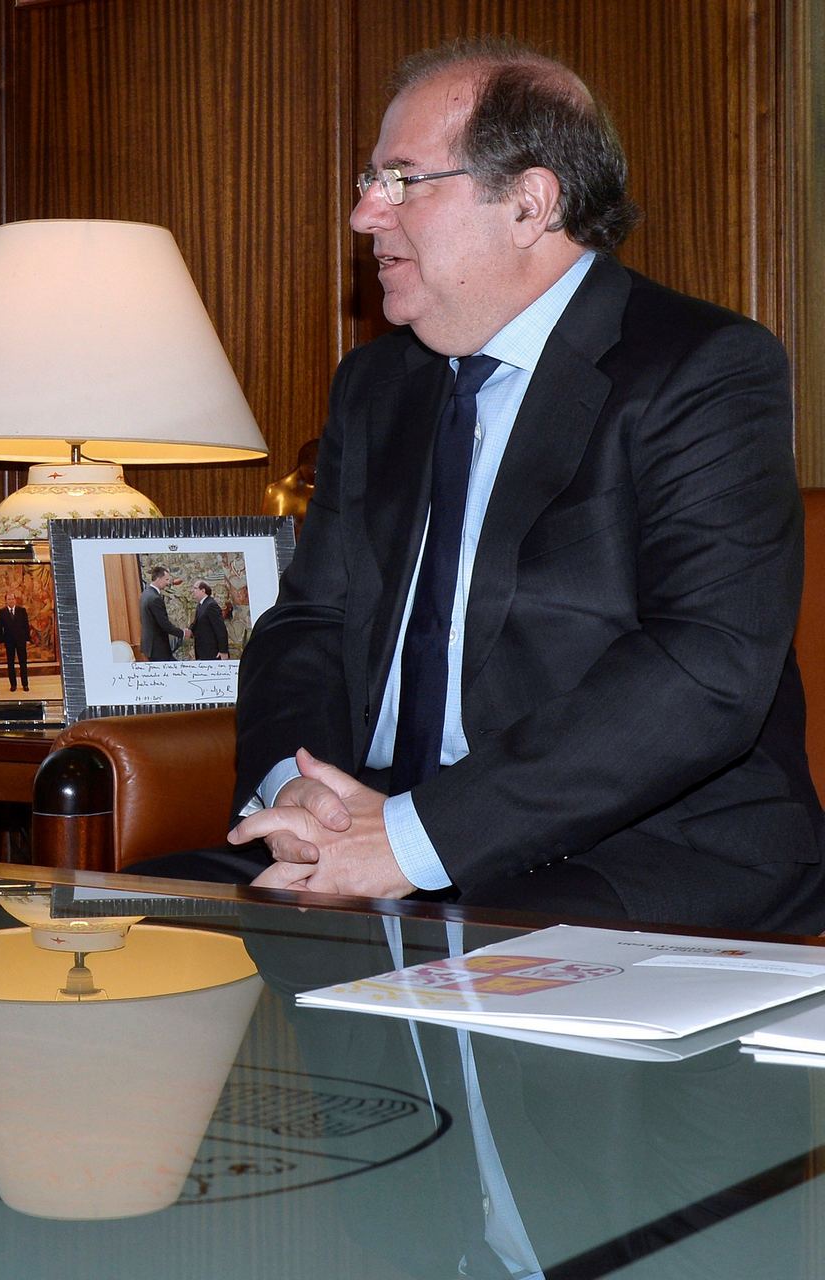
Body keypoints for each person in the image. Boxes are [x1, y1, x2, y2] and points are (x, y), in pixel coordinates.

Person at [136, 39, 825, 932]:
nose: (364, 214)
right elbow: (310, 623)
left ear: (530, 204)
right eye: (369, 180)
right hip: (373, 830)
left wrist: (412, 841)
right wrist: (301, 791)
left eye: (402, 180)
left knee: (452, 966)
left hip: (638, 853)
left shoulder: (702, 369)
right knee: (109, 928)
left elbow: (704, 668)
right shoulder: (377, 385)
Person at [263, 437, 320, 530]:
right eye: (313, 469)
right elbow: (274, 533)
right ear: (302, 465)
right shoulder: (279, 492)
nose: (318, 474)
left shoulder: (336, 490)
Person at [138, 567, 185, 662]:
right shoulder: (155, 598)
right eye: (166, 579)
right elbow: (164, 624)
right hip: (158, 648)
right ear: (158, 579)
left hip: (150, 646)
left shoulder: (145, 593)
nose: (168, 583)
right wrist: (183, 633)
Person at [0, 591, 33, 691]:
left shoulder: (22, 610)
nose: (11, 601)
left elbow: (26, 625)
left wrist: (27, 639)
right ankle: (13, 684)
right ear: (6, 601)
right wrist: (1, 640)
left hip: (21, 641)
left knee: (23, 663)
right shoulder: (2, 612)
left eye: (12, 599)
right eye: (9, 599)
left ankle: (25, 684)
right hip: (9, 641)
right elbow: (0, 627)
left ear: (15, 600)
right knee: (10, 664)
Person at [190, 580, 229, 660]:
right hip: (203, 651)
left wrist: (223, 651)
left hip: (212, 652)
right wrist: (188, 631)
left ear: (203, 590)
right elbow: (196, 623)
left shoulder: (211, 605)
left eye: (195, 588)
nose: (192, 591)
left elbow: (220, 629)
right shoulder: (201, 605)